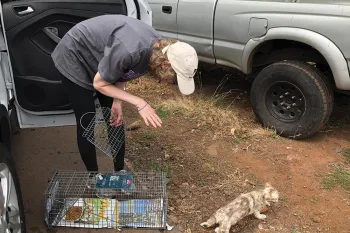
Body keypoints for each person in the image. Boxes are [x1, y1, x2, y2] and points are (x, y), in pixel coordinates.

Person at [51, 14, 198, 173]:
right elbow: (100, 83)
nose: (171, 83)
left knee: (115, 118)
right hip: (74, 54)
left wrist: (117, 101)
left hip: (103, 61)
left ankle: (119, 171)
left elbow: (123, 71)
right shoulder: (133, 50)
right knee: (87, 119)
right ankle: (93, 177)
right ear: (166, 64)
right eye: (174, 79)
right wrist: (140, 102)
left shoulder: (156, 50)